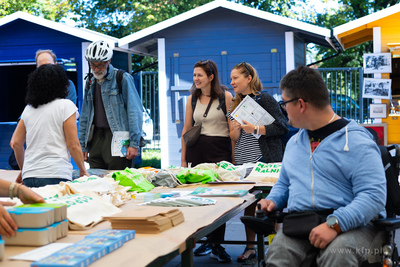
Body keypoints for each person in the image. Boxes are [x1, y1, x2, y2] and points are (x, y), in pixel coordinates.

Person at [258, 66, 387, 266]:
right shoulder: (294, 143)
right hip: (303, 224)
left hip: (355, 226)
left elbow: (373, 196)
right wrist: (273, 200)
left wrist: (335, 224)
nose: (283, 109)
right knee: (279, 254)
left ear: (300, 104)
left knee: (337, 253)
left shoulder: (357, 142)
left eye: (284, 103)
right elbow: (284, 183)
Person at [227, 62, 289, 262]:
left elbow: (282, 127)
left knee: (272, 203)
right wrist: (236, 130)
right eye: (231, 78)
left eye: (235, 78)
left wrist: (256, 128)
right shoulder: (234, 104)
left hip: (265, 159)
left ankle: (275, 247)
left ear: (249, 78)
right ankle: (251, 247)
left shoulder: (265, 99)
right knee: (250, 204)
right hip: (244, 161)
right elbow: (234, 138)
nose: (232, 82)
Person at [181, 59, 233, 262]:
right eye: (194, 75)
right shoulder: (191, 98)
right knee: (199, 199)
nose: (196, 79)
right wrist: (183, 161)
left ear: (211, 77)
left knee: (220, 200)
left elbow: (231, 130)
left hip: (219, 152)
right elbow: (186, 130)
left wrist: (234, 158)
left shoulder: (225, 97)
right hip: (196, 152)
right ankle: (206, 241)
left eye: (199, 75)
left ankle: (217, 244)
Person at [10, 64, 89, 187]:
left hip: (30, 176)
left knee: (36, 207)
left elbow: (16, 143)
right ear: (61, 84)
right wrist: (83, 170)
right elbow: (73, 144)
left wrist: (24, 169)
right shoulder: (66, 106)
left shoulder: (28, 109)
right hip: (56, 174)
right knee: (57, 207)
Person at [78, 40, 143, 170]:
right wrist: (83, 145)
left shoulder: (122, 78)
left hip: (118, 136)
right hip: (96, 137)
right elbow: (85, 115)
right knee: (96, 181)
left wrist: (134, 143)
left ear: (108, 61)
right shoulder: (90, 82)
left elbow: (134, 111)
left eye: (101, 65)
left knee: (118, 180)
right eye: (93, 65)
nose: (96, 69)